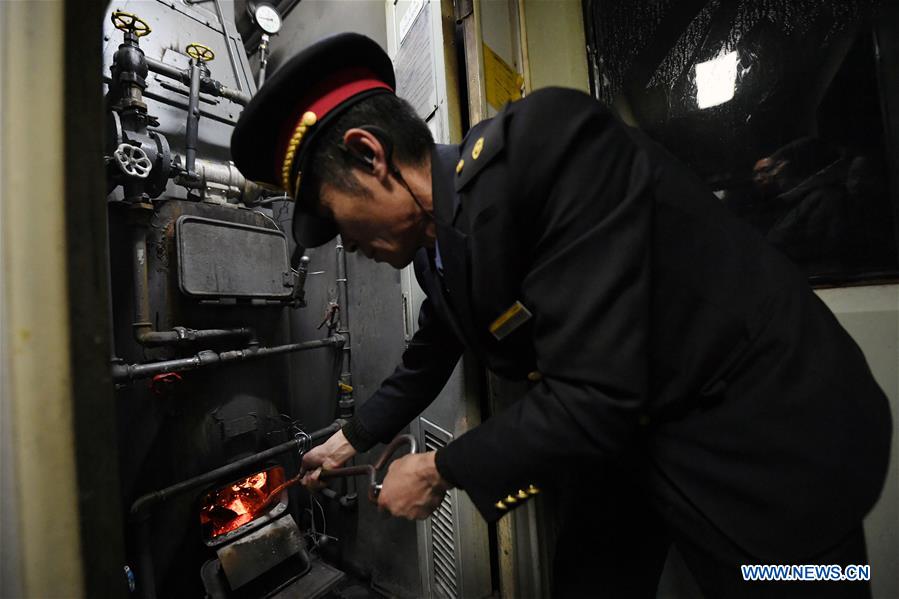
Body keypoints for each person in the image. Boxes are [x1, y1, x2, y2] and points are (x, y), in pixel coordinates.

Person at [230, 33, 891, 598]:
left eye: (335, 216)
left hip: (770, 445)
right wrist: (352, 436)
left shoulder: (549, 148)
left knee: (800, 581)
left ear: (369, 157)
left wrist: (438, 470)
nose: (344, 243)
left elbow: (598, 391)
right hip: (638, 446)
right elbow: (433, 349)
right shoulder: (438, 248)